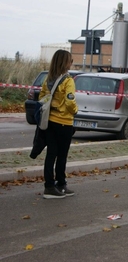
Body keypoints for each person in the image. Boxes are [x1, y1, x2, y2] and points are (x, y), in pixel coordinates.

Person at [38, 50, 78, 199]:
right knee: (62, 155)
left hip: (50, 121)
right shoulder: (68, 80)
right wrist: (75, 110)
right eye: (70, 60)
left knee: (51, 154)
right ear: (65, 62)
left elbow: (42, 96)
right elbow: (70, 101)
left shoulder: (48, 79)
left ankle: (49, 186)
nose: (71, 63)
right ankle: (61, 184)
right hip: (64, 122)